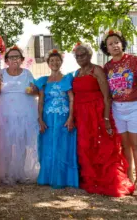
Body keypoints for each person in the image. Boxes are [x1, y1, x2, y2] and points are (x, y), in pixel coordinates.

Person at [72, 43, 134, 197]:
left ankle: (109, 179)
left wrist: (106, 118)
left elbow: (106, 97)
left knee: (104, 146)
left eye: (83, 55)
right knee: (87, 146)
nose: (80, 58)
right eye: (77, 56)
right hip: (82, 115)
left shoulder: (97, 70)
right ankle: (92, 178)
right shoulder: (77, 73)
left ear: (90, 55)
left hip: (97, 113)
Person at [0, 46, 39, 184]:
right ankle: (4, 173)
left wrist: (33, 90)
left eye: (17, 57)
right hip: (4, 114)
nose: (14, 59)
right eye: (11, 57)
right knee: (4, 142)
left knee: (22, 142)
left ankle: (20, 173)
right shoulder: (1, 73)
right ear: (7, 60)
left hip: (25, 113)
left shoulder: (27, 74)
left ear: (22, 59)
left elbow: (35, 91)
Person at [34, 50, 79, 189]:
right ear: (48, 64)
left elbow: (72, 99)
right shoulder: (43, 81)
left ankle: (64, 178)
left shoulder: (67, 78)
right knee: (47, 146)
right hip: (47, 118)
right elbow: (40, 102)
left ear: (61, 62)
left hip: (63, 118)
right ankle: (47, 177)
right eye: (52, 61)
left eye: (57, 60)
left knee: (63, 146)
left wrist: (71, 118)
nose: (55, 63)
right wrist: (40, 119)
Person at [101, 30, 137, 184]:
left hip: (134, 106)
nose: (114, 45)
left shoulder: (133, 61)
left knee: (135, 144)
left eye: (117, 42)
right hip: (117, 108)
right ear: (106, 48)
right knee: (125, 144)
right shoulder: (107, 67)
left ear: (122, 44)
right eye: (110, 44)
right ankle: (130, 177)